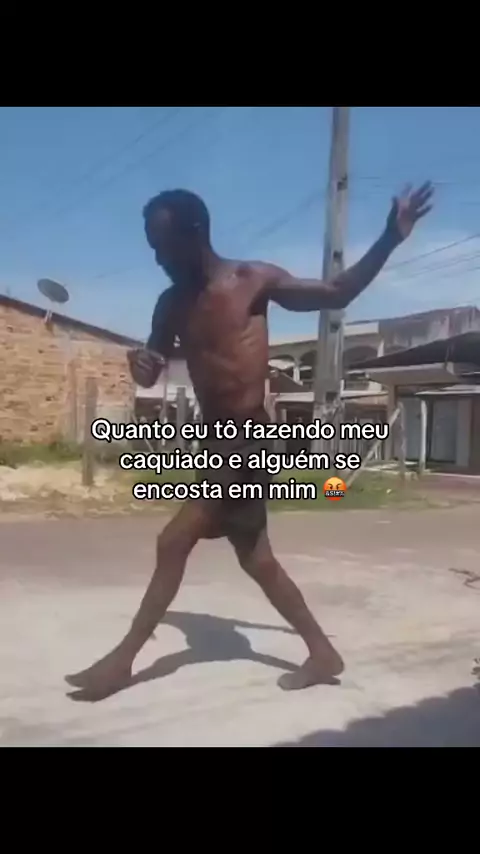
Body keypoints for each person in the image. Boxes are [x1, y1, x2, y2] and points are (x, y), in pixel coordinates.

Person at [66, 182, 434, 698]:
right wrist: (141, 366)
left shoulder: (252, 281)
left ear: (195, 233)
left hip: (248, 441)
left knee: (173, 541)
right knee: (256, 558)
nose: (158, 259)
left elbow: (337, 293)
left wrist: (390, 237)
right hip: (216, 444)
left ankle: (122, 662)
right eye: (152, 247)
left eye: (164, 246)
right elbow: (150, 371)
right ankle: (322, 653)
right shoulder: (170, 304)